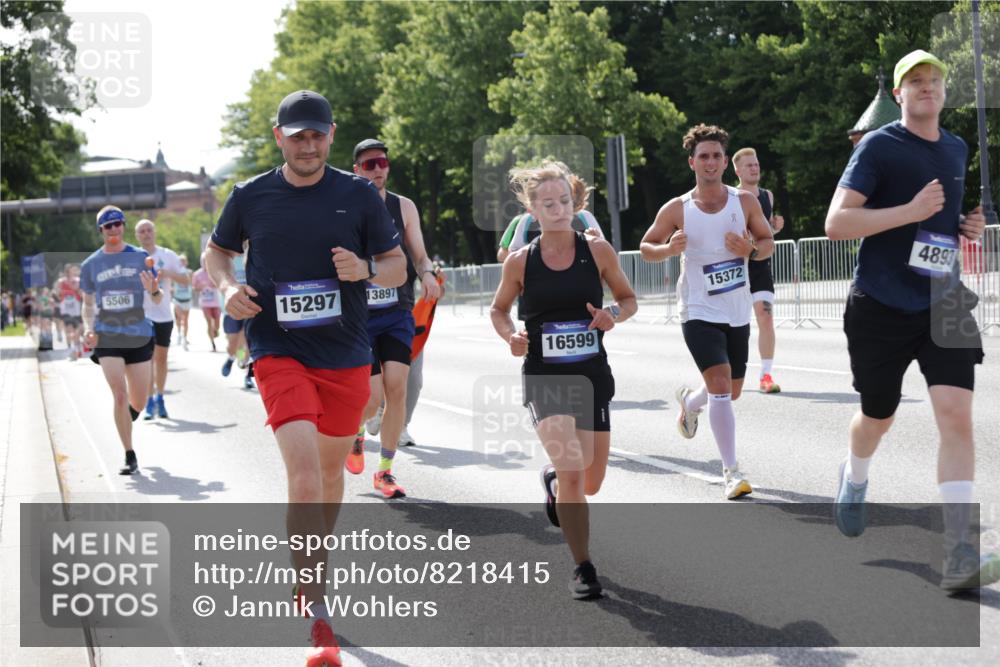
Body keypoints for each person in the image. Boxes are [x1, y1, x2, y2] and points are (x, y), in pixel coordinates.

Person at [204, 90, 405, 666]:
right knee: (305, 478)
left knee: (328, 476)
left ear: (331, 135)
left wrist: (367, 269)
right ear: (279, 137)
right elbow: (216, 255)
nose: (308, 145)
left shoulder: (359, 195)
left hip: (343, 354)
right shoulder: (250, 196)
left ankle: (312, 567)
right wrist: (225, 289)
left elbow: (395, 266)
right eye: (298, 136)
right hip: (277, 348)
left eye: (317, 135)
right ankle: (317, 608)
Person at [825, 50, 998, 590]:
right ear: (898, 95)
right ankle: (855, 478)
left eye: (935, 80)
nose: (927, 88)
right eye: (915, 82)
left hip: (944, 297)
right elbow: (836, 223)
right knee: (878, 415)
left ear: (945, 91)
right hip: (881, 302)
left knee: (956, 416)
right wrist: (910, 213)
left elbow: (940, 219)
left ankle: (959, 553)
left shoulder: (956, 146)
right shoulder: (880, 145)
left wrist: (963, 225)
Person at [491, 161, 637, 600]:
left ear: (575, 204)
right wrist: (511, 335)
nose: (558, 209)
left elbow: (628, 300)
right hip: (544, 376)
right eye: (548, 203)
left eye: (564, 201)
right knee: (575, 471)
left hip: (591, 373)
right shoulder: (520, 261)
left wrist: (610, 315)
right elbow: (499, 310)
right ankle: (583, 566)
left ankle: (553, 482)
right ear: (533, 211)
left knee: (589, 482)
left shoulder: (598, 251)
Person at [640, 124, 774, 500]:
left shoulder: (743, 202)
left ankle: (689, 403)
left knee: (730, 392)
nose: (711, 161)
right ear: (692, 162)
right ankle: (731, 472)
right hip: (698, 309)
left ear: (724, 161)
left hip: (735, 309)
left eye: (716, 155)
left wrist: (749, 250)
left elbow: (767, 243)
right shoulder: (678, 208)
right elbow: (646, 245)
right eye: (704, 156)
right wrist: (668, 249)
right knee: (719, 386)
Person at [346, 138, 441, 498]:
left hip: (397, 311)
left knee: (397, 388)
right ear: (357, 170)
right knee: (370, 399)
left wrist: (429, 274)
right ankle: (356, 434)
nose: (377, 169)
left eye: (382, 162)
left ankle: (384, 472)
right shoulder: (346, 207)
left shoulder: (405, 207)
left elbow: (419, 254)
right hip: (359, 316)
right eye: (369, 164)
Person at [80, 206, 161, 475]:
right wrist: (88, 328)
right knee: (119, 394)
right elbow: (88, 303)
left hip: (138, 333)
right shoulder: (90, 265)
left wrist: (154, 290)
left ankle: (128, 416)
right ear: (100, 230)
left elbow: (157, 297)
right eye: (107, 226)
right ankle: (129, 454)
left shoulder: (141, 257)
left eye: (117, 224)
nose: (113, 229)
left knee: (138, 401)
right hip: (108, 334)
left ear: (123, 226)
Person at [732, 147, 785, 393]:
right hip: (736, 268)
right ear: (737, 170)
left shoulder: (767, 196)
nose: (755, 168)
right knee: (734, 324)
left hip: (760, 266)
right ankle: (726, 372)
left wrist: (775, 229)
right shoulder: (731, 198)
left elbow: (765, 234)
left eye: (756, 164)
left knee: (766, 317)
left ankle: (766, 375)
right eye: (749, 165)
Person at [135, 219, 189, 419]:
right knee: (147, 360)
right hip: (142, 316)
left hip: (164, 314)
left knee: (161, 359)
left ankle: (160, 397)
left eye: (149, 230)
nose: (146, 234)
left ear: (154, 232)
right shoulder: (133, 256)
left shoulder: (167, 255)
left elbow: (186, 279)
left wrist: (168, 273)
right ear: (137, 235)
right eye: (142, 231)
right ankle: (149, 401)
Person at [497, 206, 604, 262]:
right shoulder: (523, 221)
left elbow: (606, 262)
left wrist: (593, 245)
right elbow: (504, 255)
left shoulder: (585, 217)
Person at [220, 252, 254, 390]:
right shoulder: (225, 257)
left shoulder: (252, 256)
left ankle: (246, 374)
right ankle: (231, 357)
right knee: (233, 343)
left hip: (249, 307)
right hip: (231, 308)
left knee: (244, 341)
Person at [192, 257, 221, 351]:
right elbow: (194, 287)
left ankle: (215, 331)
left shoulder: (215, 272)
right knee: (209, 322)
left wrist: (215, 284)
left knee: (216, 324)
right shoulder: (197, 274)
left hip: (215, 302)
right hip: (205, 302)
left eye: (207, 261)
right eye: (203, 261)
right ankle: (213, 344)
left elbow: (221, 284)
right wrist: (200, 287)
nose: (205, 263)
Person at [55, 264, 84, 360]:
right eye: (71, 270)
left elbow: (81, 294)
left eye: (74, 270)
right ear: (67, 271)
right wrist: (62, 292)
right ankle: (72, 350)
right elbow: (58, 294)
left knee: (79, 329)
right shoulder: (61, 281)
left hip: (76, 308)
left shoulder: (77, 280)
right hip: (66, 308)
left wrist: (76, 289)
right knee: (69, 329)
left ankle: (77, 347)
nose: (73, 272)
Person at [171, 254, 193, 350]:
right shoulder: (175, 272)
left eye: (183, 261)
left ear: (186, 262)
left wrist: (185, 274)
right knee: (179, 318)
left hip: (187, 299)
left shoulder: (190, 272)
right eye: (180, 261)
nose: (182, 263)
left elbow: (190, 282)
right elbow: (171, 283)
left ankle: (185, 338)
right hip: (177, 299)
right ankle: (179, 333)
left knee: (186, 320)